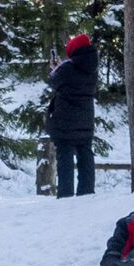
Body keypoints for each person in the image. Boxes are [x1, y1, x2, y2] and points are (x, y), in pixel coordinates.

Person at [45, 34, 100, 198]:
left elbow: (55, 81)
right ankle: (86, 192)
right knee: (85, 155)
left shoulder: (67, 68)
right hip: (86, 121)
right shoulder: (92, 68)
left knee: (65, 157)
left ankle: (65, 194)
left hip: (65, 122)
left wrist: (56, 69)